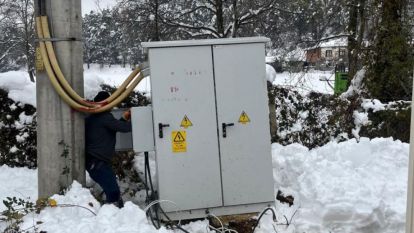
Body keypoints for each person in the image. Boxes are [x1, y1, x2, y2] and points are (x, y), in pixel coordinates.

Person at [85, 91, 132, 208]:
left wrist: (124, 118)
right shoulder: (104, 117)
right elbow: (124, 128)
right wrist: (140, 120)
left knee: (112, 191)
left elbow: (114, 126)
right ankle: (112, 216)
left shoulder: (93, 117)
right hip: (97, 163)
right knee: (113, 192)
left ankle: (112, 215)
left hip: (95, 163)